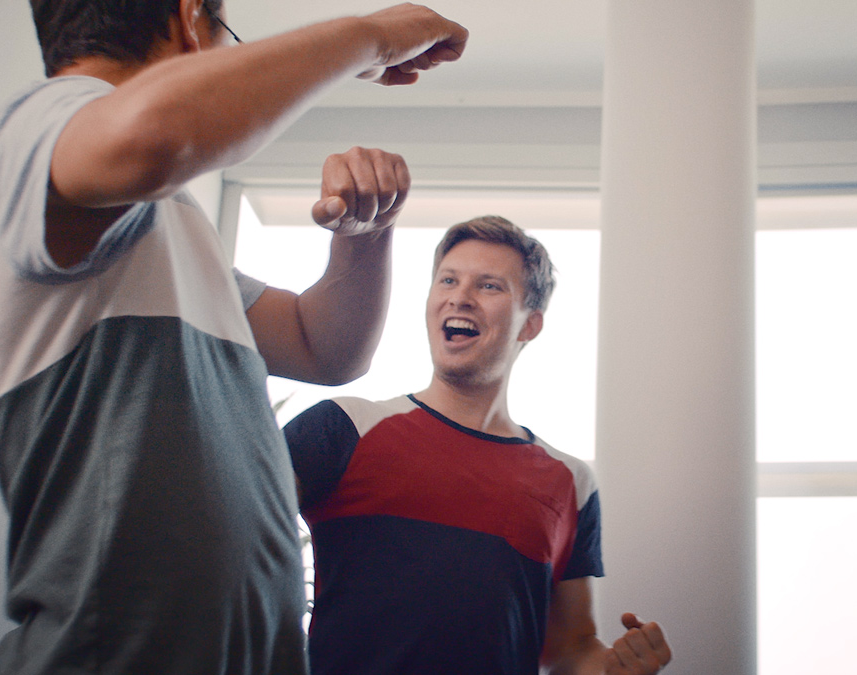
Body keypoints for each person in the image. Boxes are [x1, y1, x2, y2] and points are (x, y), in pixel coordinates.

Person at [0, 1, 467, 673]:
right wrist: (372, 37)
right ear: (193, 20)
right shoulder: (30, 129)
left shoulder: (167, 225)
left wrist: (364, 240)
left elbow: (326, 348)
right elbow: (153, 131)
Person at [283, 216, 673, 674]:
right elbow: (227, 538)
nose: (460, 296)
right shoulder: (343, 427)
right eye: (448, 280)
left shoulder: (573, 483)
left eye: (489, 286)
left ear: (530, 325)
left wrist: (613, 668)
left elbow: (571, 648)